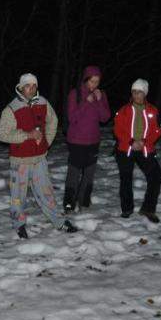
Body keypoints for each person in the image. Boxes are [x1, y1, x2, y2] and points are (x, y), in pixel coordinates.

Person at [0, 73, 78, 238]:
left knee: (46, 192)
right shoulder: (11, 108)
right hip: (20, 161)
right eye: (27, 86)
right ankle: (19, 224)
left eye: (34, 85)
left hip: (39, 159)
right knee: (18, 196)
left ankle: (59, 221)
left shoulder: (42, 102)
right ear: (21, 87)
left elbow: (53, 121)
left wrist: (46, 142)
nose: (31, 89)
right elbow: (3, 135)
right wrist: (27, 135)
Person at [113, 79, 161, 223]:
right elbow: (117, 129)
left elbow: (158, 129)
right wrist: (131, 141)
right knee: (126, 178)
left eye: (139, 92)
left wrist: (144, 142)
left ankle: (148, 208)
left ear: (145, 93)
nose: (136, 94)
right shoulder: (124, 110)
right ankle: (127, 208)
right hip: (126, 148)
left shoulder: (153, 110)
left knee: (156, 176)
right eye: (134, 91)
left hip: (145, 148)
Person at [63, 65, 110, 213]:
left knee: (89, 173)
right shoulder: (75, 94)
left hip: (93, 141)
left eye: (97, 81)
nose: (94, 84)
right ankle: (69, 203)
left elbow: (105, 118)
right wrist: (85, 102)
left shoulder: (100, 94)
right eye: (92, 81)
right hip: (76, 141)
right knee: (74, 173)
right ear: (85, 79)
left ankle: (83, 201)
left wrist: (99, 100)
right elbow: (72, 117)